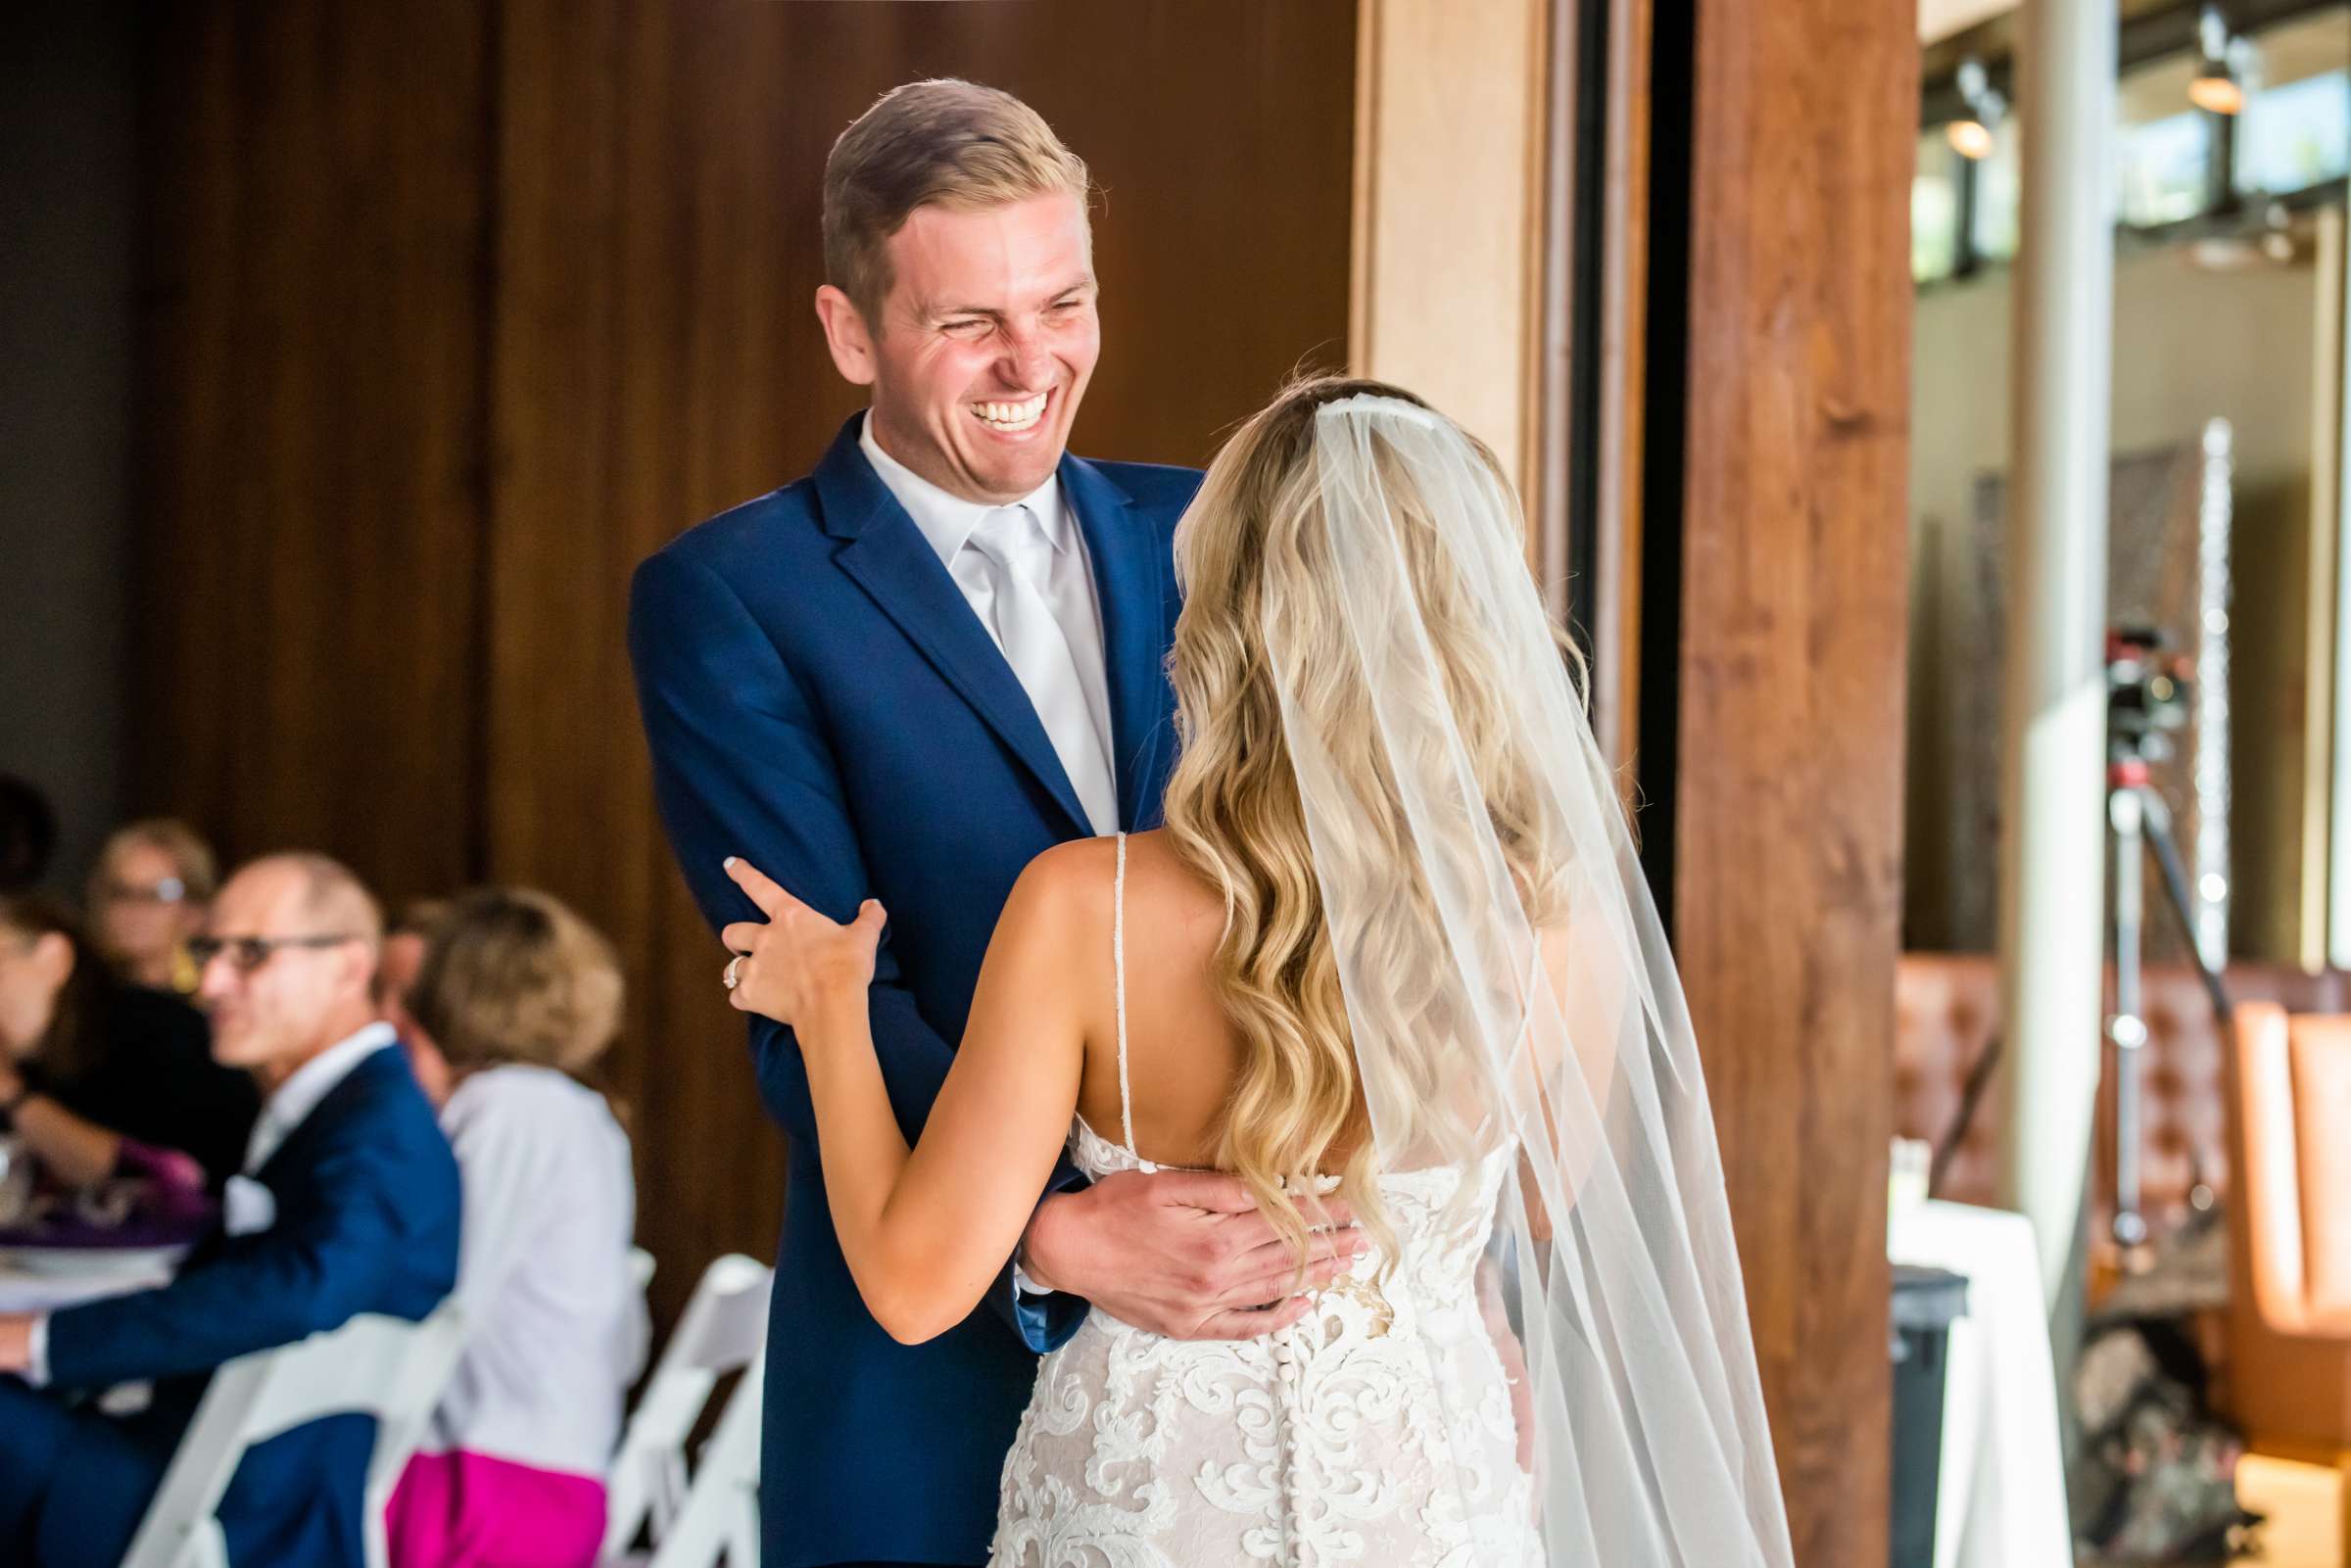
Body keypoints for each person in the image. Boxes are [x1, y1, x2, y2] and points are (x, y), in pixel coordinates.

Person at [722, 379, 1799, 1565]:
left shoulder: (1092, 907)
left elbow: (913, 1286)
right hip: (1436, 1507)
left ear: (1231, 613)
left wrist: (830, 1005)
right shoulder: (1560, 924)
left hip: (1152, 1523)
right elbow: (1535, 1207)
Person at [629, 80, 1366, 1568]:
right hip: (926, 1359)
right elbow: (816, 989)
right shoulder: (732, 595)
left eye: (1065, 300)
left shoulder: (1217, 525)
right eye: (970, 321)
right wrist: (1048, 1229)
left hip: (1255, 1354)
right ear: (851, 332)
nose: (1032, 359)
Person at [0, 852, 461, 1568]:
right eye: (209, 951)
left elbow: (307, 1282)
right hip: (218, 1476)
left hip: (230, 1509)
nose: (210, 982)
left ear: (346, 966)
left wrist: (39, 1339)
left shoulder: (376, 1130)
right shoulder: (344, 1109)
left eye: (250, 955)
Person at [384, 886, 647, 1568]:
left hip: (488, 1472)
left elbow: (440, 1285)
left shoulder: (505, 1109)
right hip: (551, 1464)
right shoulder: (578, 1111)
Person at [0, 892, 258, 1192]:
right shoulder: (32, 1061)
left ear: (53, 958)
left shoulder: (154, 1033)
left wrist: (12, 1095)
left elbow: (161, 1179)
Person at [86, 819, 217, 994]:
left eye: (158, 893)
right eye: (122, 891)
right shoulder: (86, 996)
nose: (136, 907)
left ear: (195, 908)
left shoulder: (214, 999)